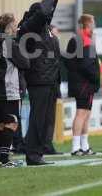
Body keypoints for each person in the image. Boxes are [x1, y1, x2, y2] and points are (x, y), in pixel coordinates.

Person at [18, 0, 61, 166]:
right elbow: (44, 12)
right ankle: (33, 154)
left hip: (48, 79)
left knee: (43, 119)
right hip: (39, 79)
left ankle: (38, 152)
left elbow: (47, 13)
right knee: (37, 118)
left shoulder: (40, 28)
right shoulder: (30, 27)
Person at [0, 13, 30, 167]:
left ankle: (2, 158)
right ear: (9, 26)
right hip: (9, 89)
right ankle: (5, 159)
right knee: (11, 123)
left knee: (1, 124)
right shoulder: (7, 43)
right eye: (14, 24)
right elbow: (25, 63)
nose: (16, 27)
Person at [64, 14, 100, 156]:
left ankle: (84, 146)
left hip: (83, 82)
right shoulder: (82, 39)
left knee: (86, 114)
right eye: (93, 23)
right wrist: (95, 78)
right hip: (83, 83)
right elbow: (86, 65)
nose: (94, 26)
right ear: (88, 24)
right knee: (81, 113)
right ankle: (75, 147)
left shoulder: (79, 39)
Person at [43, 25, 63, 155]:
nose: (57, 35)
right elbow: (52, 63)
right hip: (50, 83)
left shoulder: (53, 44)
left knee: (49, 117)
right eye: (56, 32)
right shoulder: (49, 45)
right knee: (47, 117)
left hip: (53, 83)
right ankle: (46, 144)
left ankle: (47, 143)